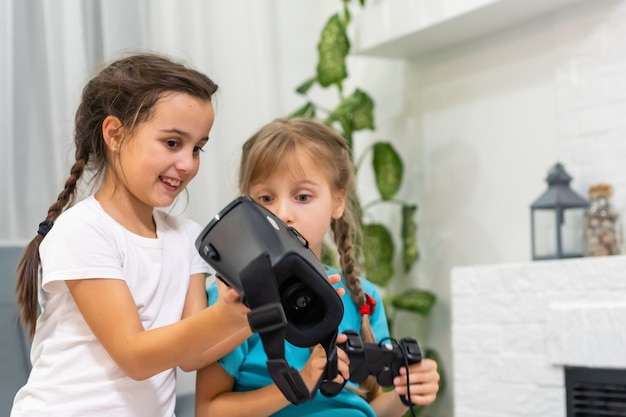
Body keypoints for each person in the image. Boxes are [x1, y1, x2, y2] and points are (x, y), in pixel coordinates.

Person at [11, 53, 254, 417]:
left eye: (197, 148)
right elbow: (134, 356)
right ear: (115, 134)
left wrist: (260, 311)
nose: (188, 164)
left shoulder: (188, 238)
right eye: (173, 143)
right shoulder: (82, 230)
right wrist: (225, 314)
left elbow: (192, 354)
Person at [195, 117, 440, 417]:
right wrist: (299, 383)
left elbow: (367, 406)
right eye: (265, 198)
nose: (283, 214)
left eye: (302, 197)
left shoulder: (362, 296)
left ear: (338, 201)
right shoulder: (232, 302)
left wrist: (406, 395)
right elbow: (208, 411)